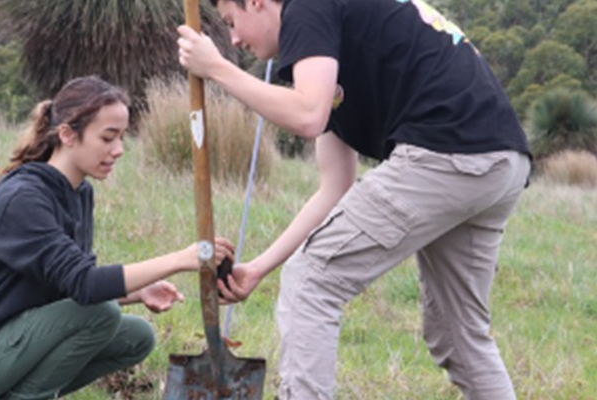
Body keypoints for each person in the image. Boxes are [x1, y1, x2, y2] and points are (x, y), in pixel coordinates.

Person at [177, 0, 532, 398]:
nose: (235, 38)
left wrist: (216, 69)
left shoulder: (307, 7)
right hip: (500, 161)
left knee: (311, 281)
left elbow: (308, 115)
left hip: (447, 152)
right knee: (458, 333)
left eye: (231, 21)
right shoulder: (328, 49)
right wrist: (260, 267)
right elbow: (335, 187)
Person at [0, 76, 234, 400]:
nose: (119, 150)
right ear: (67, 134)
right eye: (108, 137)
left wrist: (137, 292)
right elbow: (85, 285)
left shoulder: (79, 193)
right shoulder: (22, 198)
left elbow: (65, 284)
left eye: (122, 137)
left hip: (17, 339)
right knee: (101, 314)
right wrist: (181, 259)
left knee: (136, 337)